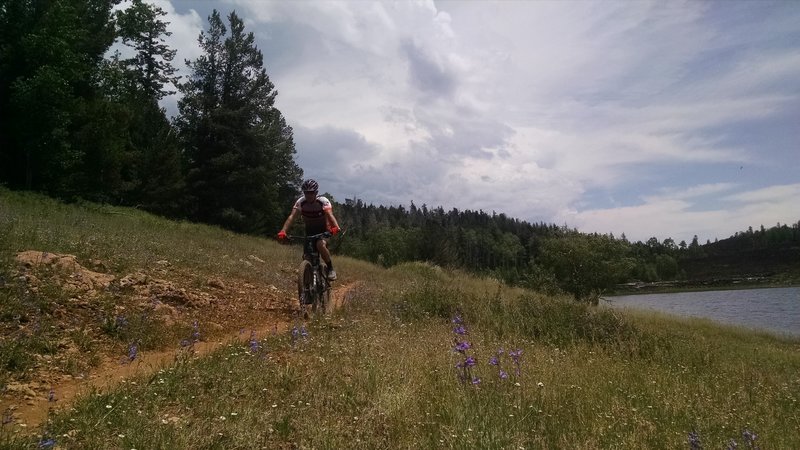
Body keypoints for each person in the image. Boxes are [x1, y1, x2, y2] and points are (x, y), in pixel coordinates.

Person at [277, 179, 341, 280]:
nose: (308, 195)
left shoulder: (323, 201)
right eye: (306, 193)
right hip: (310, 232)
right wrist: (283, 231)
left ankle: (330, 269)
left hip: (323, 231)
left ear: (316, 193)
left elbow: (330, 215)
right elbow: (292, 217)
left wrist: (335, 227)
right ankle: (307, 284)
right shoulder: (301, 202)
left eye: (311, 193)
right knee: (307, 258)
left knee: (320, 245)